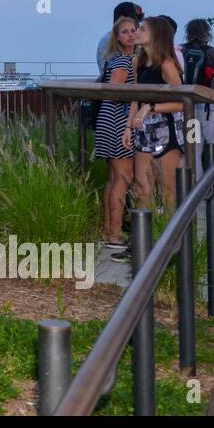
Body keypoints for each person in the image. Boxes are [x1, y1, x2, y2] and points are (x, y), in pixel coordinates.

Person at [123, 16, 186, 221]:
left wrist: (151, 107)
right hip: (142, 131)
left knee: (168, 189)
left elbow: (182, 102)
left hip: (166, 132)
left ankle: (169, 240)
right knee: (142, 186)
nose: (136, 32)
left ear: (156, 35)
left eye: (142, 29)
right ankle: (143, 240)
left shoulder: (167, 65)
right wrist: (128, 126)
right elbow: (136, 96)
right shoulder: (138, 62)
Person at [94, 16, 138, 253]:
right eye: (125, 32)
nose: (131, 35)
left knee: (115, 177)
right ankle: (115, 232)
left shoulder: (120, 59)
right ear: (117, 37)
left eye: (133, 30)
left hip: (111, 118)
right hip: (118, 119)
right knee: (123, 176)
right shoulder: (123, 60)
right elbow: (115, 90)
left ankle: (108, 229)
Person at [180, 19, 214, 183]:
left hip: (188, 107)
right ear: (207, 32)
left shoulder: (182, 50)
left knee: (194, 148)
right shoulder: (212, 52)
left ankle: (194, 183)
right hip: (210, 108)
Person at [97, 1, 144, 74]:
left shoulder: (133, 39)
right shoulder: (108, 40)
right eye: (136, 18)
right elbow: (112, 74)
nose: (138, 23)